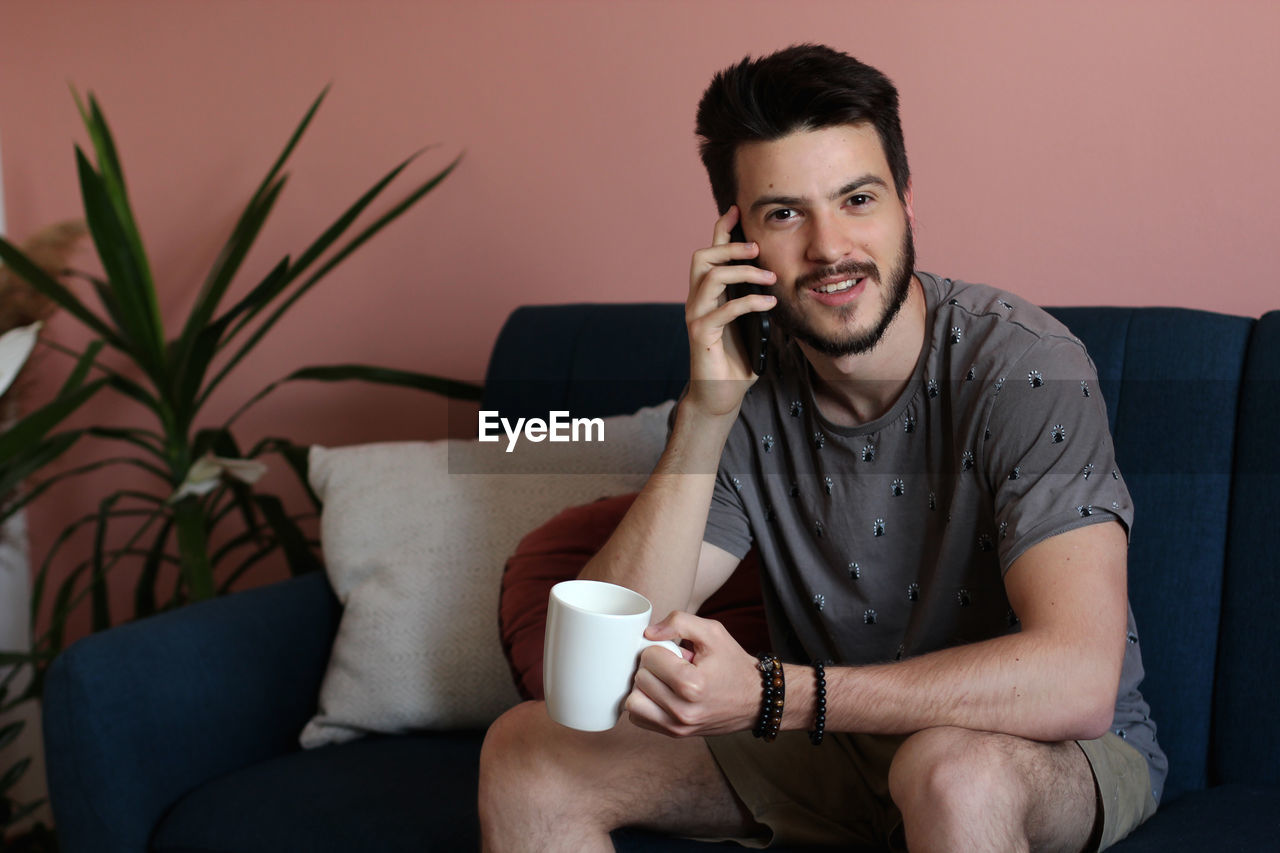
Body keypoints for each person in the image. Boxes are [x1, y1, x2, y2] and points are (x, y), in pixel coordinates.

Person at [479, 44, 1166, 852]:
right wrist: (704, 413)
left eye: (857, 198)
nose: (829, 246)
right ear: (738, 243)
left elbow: (1079, 682)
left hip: (1038, 753)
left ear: (907, 203)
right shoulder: (739, 386)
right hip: (830, 749)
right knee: (526, 752)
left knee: (949, 773)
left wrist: (777, 694)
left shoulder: (1023, 366)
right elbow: (602, 669)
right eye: (784, 213)